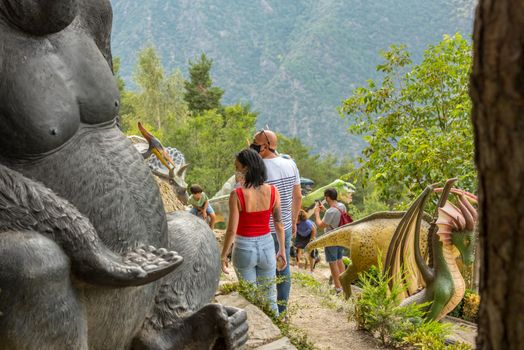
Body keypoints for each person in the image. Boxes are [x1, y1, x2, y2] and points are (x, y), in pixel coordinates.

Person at [221, 149, 287, 315]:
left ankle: (254, 332)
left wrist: (223, 255)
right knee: (270, 296)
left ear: (246, 168)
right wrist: (282, 250)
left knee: (249, 298)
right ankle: (277, 330)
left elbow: (231, 229)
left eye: (238, 168)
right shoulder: (273, 191)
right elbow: (279, 224)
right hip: (267, 246)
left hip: (243, 248)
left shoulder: (237, 195)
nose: (236, 172)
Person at [250, 129, 302, 314]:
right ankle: (282, 311)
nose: (252, 147)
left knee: (262, 269)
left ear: (264, 146)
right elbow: (298, 196)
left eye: (255, 143)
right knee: (283, 267)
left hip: (263, 228)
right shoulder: (290, 165)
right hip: (285, 226)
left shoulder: (258, 169)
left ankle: (266, 310)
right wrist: (294, 220)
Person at [314, 188, 348, 294]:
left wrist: (316, 213)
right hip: (340, 236)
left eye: (325, 196)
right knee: (339, 259)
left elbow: (320, 225)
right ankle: (345, 285)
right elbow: (334, 216)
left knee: (332, 263)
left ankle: (338, 288)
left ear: (327, 197)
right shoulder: (342, 206)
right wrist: (325, 210)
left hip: (331, 239)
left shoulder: (330, 211)